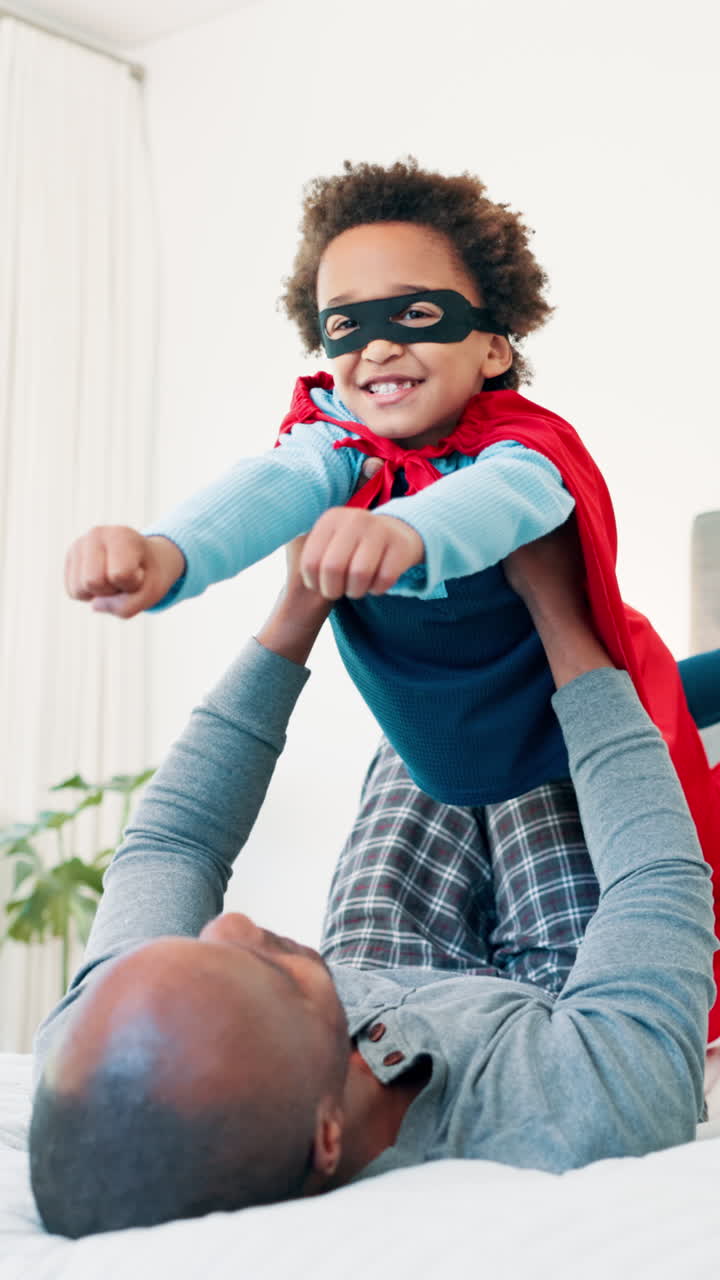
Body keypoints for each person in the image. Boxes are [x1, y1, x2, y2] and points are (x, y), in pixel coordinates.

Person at [62, 157, 720, 1033]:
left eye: (415, 315)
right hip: (434, 746)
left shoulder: (522, 448)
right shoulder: (333, 445)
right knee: (375, 956)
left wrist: (409, 535)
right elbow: (268, 490)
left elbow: (503, 503)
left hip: (563, 727)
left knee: (583, 941)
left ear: (493, 346)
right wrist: (164, 553)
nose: (376, 345)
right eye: (347, 325)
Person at [30, 522, 717, 1237]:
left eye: (206, 948)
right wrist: (556, 605)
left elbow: (173, 845)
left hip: (377, 961)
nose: (232, 926)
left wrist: (301, 600)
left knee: (440, 732)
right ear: (327, 1139)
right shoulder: (583, 1106)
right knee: (538, 719)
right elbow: (655, 874)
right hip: (554, 1004)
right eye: (268, 975)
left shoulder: (103, 1047)